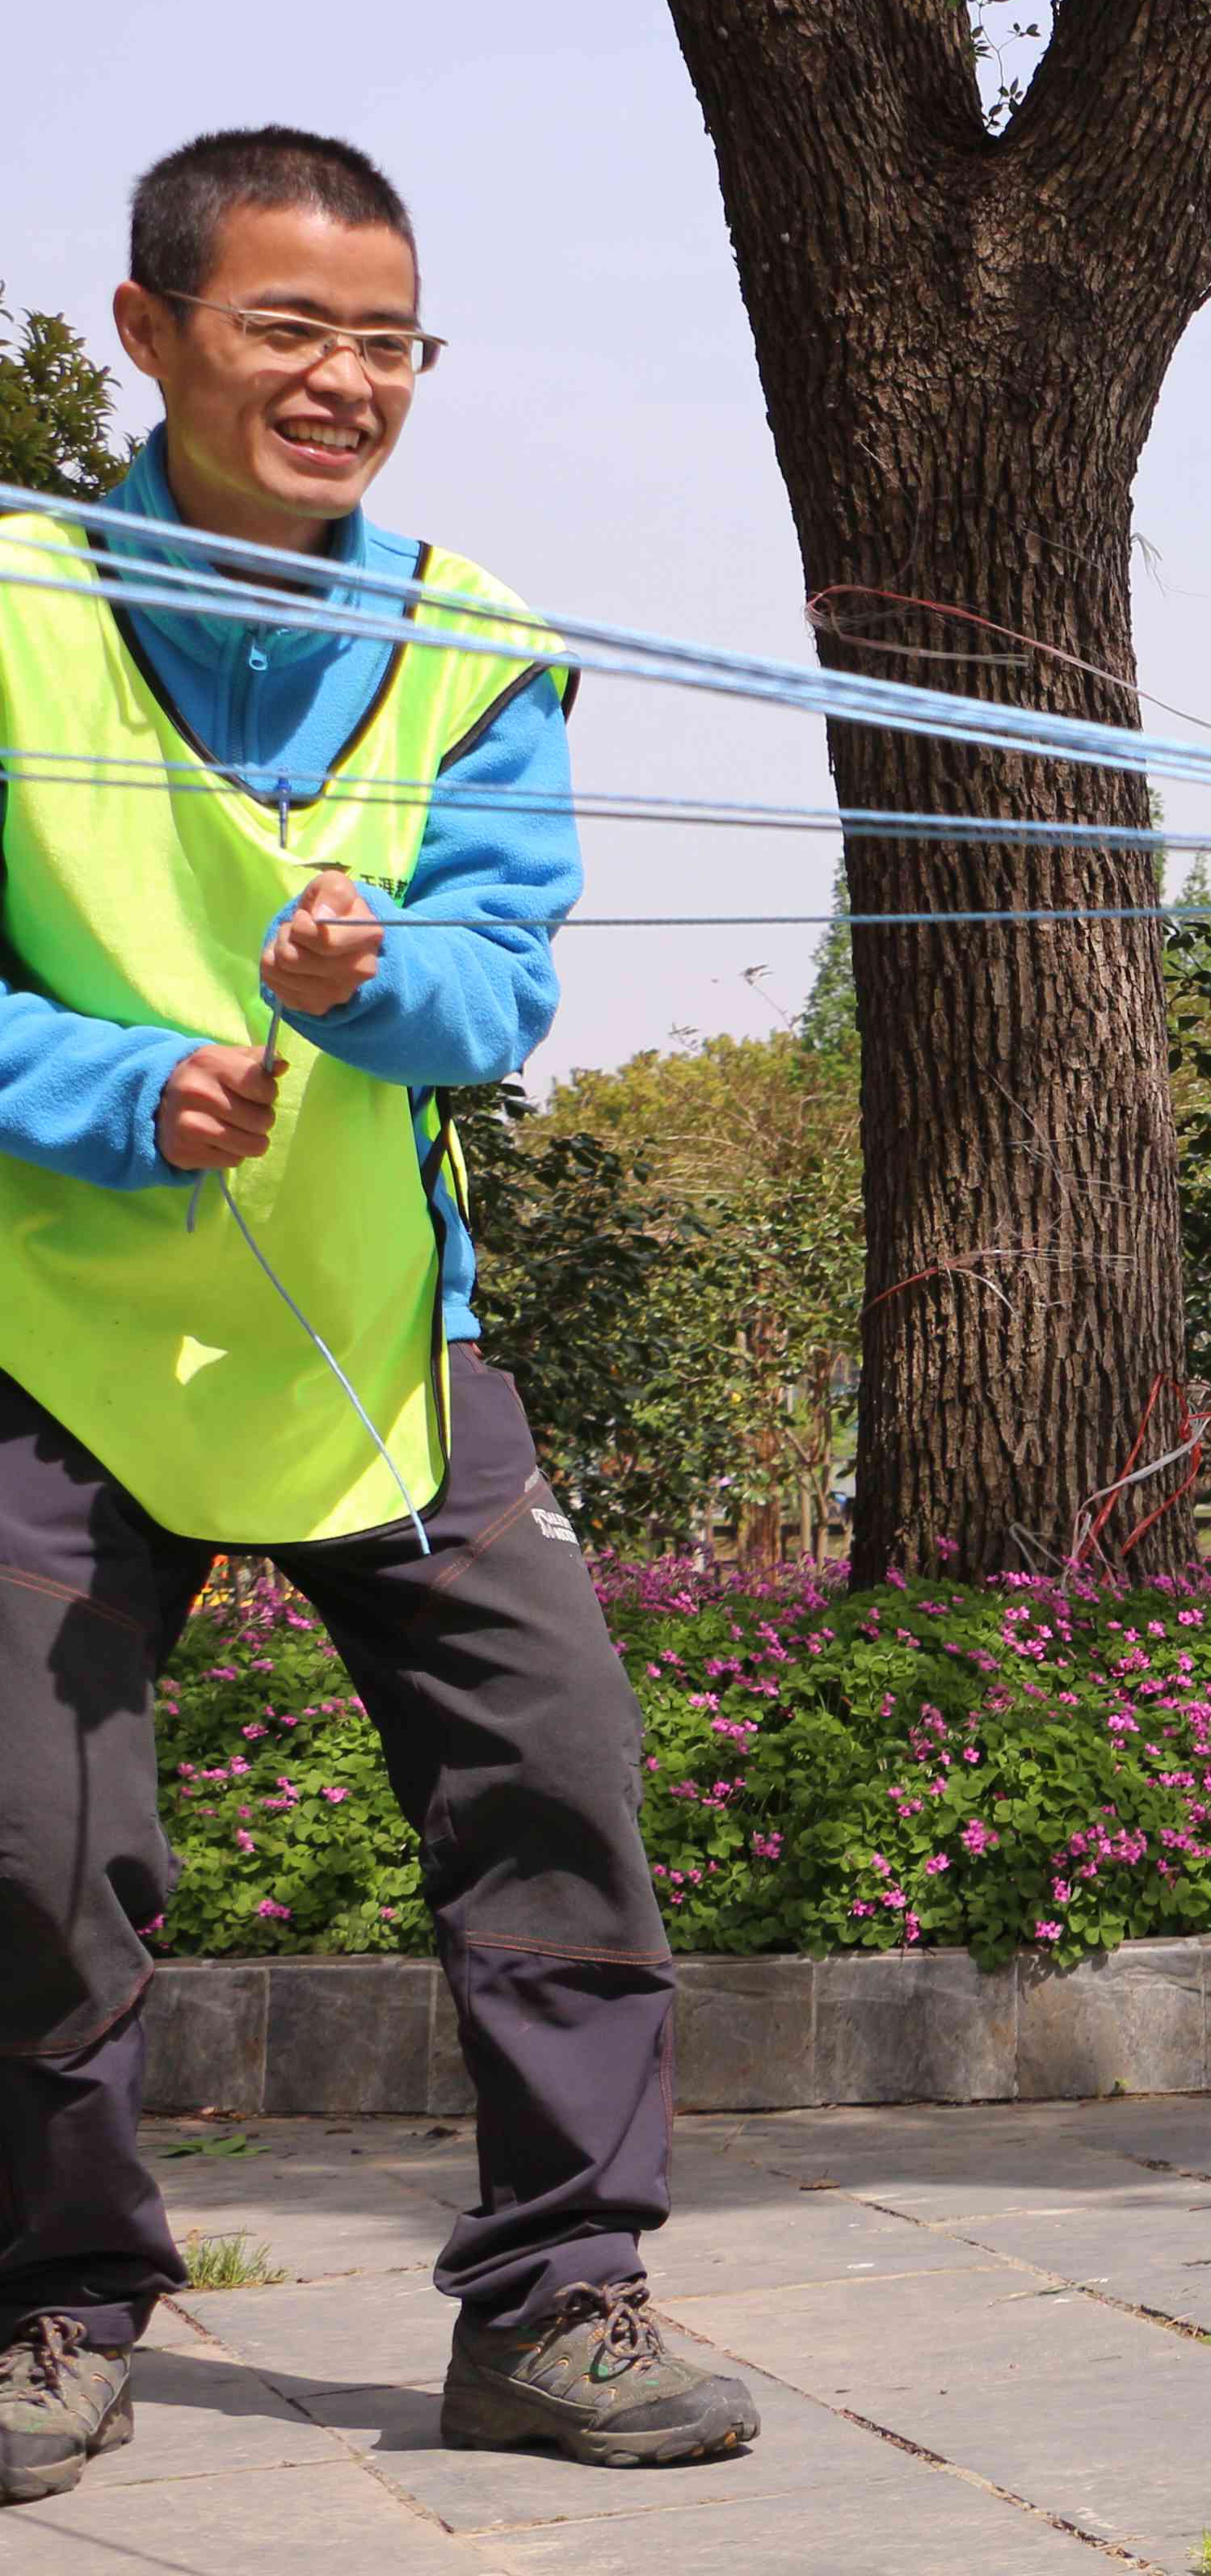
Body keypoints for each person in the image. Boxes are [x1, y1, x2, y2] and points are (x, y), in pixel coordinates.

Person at [0, 129, 755, 2504]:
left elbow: (497, 981)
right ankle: (50, 2312)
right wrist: (129, 1090)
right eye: (287, 326)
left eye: (387, 341)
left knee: (558, 1793)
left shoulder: (474, 638)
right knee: (34, 1840)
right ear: (149, 330)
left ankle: (560, 2305)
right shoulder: (9, 600)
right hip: (53, 1336)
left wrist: (375, 975)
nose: (344, 381)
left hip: (380, 1341)